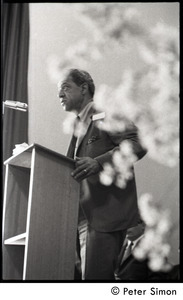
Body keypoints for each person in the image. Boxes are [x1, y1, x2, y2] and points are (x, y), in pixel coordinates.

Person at [58, 68, 147, 280]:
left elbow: (138, 143)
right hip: (80, 220)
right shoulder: (78, 127)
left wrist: (99, 163)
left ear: (84, 88)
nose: (60, 95)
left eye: (65, 87)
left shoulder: (106, 112)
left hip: (103, 218)